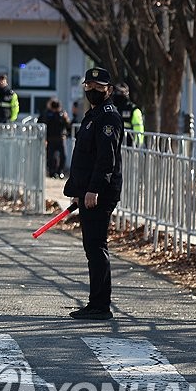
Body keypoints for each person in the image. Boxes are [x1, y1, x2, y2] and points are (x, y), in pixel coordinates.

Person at [63, 66, 123, 321]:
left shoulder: (108, 117)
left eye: (99, 88)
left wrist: (94, 189)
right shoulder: (93, 115)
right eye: (89, 87)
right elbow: (84, 158)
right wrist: (77, 190)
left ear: (109, 90)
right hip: (88, 191)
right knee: (92, 246)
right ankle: (97, 302)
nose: (93, 91)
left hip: (99, 192)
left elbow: (105, 160)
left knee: (96, 246)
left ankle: (100, 304)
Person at [37, 98, 71, 178]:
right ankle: (52, 172)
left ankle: (60, 171)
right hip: (50, 139)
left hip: (60, 138)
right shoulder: (47, 114)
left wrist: (66, 119)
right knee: (51, 157)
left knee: (62, 156)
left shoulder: (62, 114)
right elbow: (42, 123)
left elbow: (67, 126)